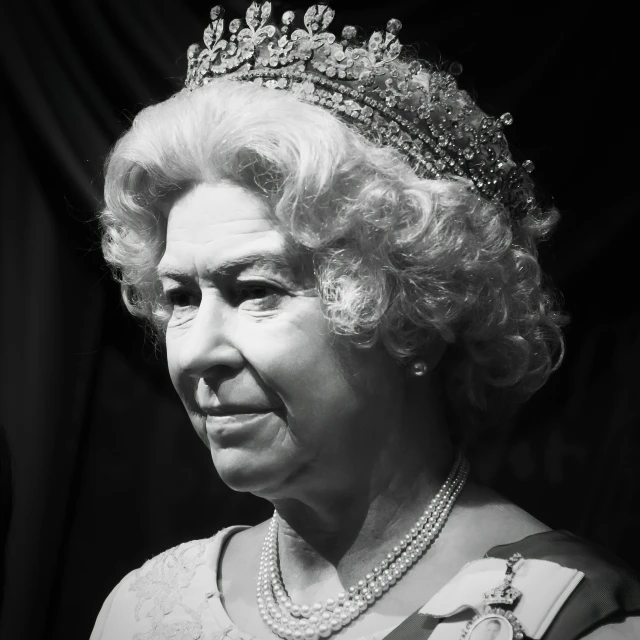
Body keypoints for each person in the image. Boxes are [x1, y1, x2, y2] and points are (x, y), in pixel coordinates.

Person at [90, 3, 640, 639]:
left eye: (256, 290)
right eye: (181, 298)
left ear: (413, 314)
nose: (195, 354)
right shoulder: (146, 608)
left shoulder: (567, 619)